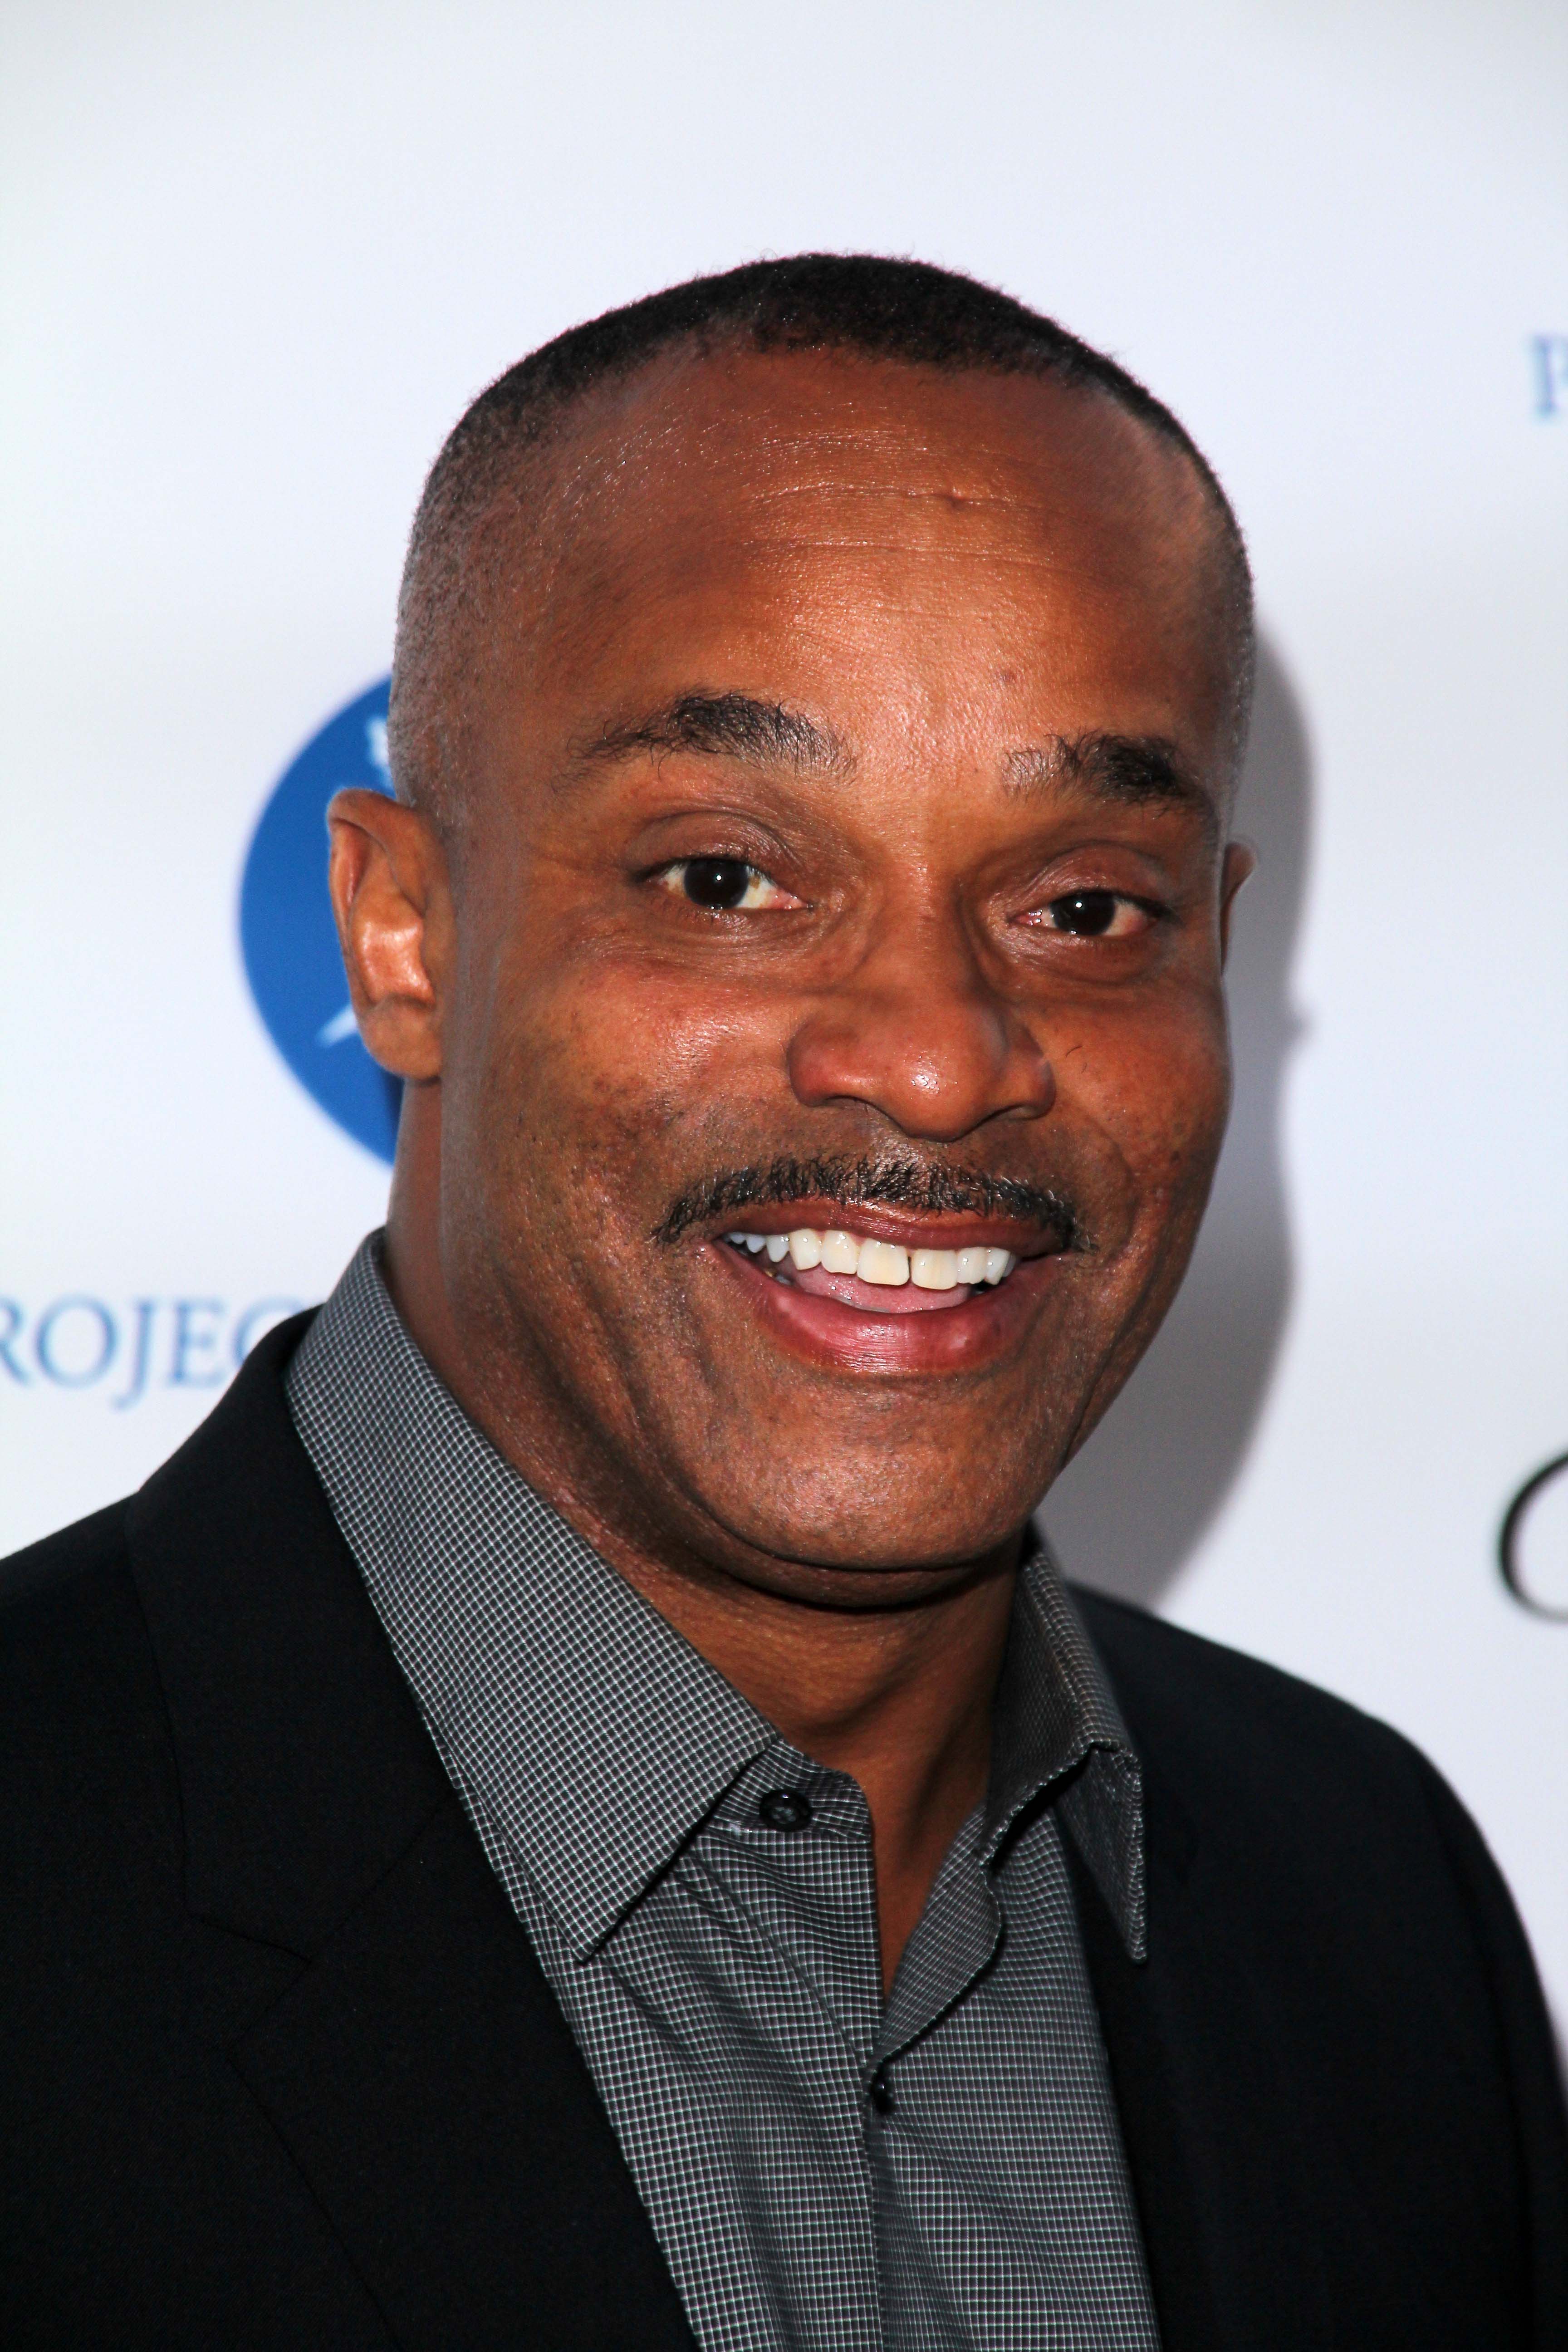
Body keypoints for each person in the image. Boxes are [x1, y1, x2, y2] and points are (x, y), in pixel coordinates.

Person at [1, 255, 1563, 2352]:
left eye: (1085, 905)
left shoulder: (1368, 1904)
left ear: (1221, 946)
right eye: (727, 879)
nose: (934, 1056)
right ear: (403, 934)